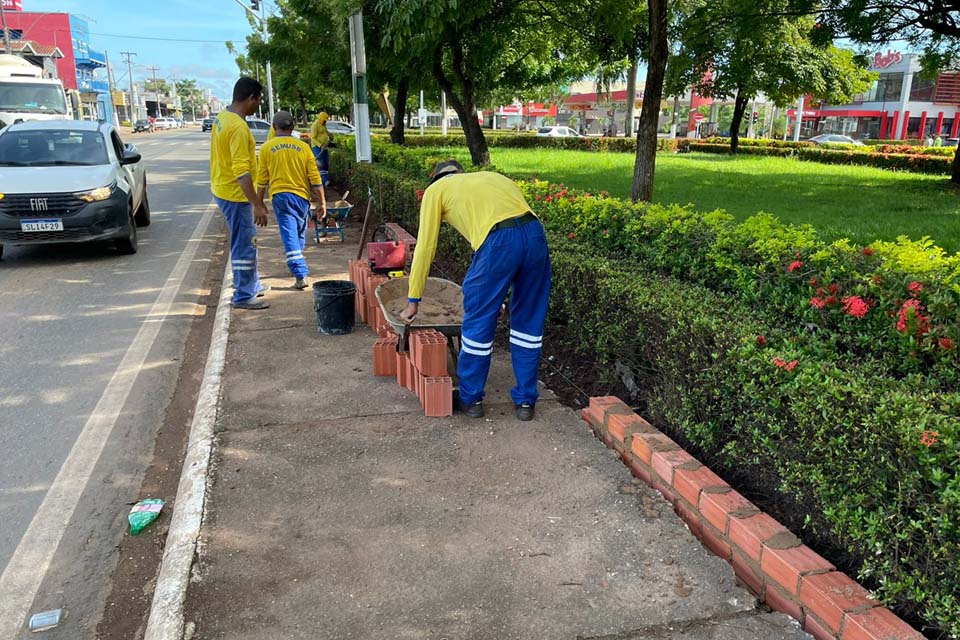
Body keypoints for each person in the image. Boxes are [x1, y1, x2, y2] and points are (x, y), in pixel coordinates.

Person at [400, 160, 551, 422]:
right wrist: (499, 295)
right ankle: (526, 401)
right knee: (528, 322)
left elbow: (425, 247)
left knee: (479, 322)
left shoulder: (436, 191)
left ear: (437, 178)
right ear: (460, 173)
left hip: (497, 243)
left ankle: (472, 400)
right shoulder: (492, 178)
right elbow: (513, 232)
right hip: (535, 237)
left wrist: (413, 300)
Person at [210, 77, 270, 310]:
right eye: (259, 100)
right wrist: (256, 204)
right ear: (251, 98)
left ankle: (251, 285)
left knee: (243, 241)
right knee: (245, 244)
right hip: (236, 196)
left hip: (221, 188)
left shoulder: (222, 118)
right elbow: (242, 172)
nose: (259, 105)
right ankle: (244, 295)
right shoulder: (238, 128)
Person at [255, 111, 327, 290]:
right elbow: (315, 178)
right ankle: (300, 271)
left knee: (293, 236)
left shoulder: (266, 148)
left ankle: (299, 269)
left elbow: (262, 180)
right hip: (302, 198)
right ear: (293, 128)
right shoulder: (303, 147)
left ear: (273, 127)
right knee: (296, 234)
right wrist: (322, 202)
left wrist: (258, 203)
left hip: (280, 196)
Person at [310, 112, 332, 186]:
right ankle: (324, 181)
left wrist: (329, 134)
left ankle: (325, 179)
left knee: (326, 163)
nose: (325, 121)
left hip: (324, 147)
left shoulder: (323, 125)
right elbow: (313, 138)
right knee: (320, 164)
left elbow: (325, 132)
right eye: (324, 120)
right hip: (317, 148)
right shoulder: (315, 126)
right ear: (321, 118)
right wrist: (320, 145)